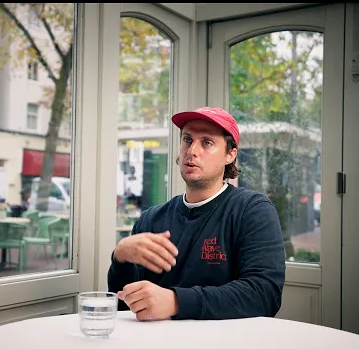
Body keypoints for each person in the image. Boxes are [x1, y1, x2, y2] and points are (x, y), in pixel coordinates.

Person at [108, 106, 286, 321]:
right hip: (156, 340)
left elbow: (264, 294)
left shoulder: (252, 210)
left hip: (225, 341)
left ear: (230, 154)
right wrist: (120, 258)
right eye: (187, 139)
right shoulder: (150, 219)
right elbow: (124, 306)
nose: (192, 150)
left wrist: (176, 301)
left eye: (207, 142)